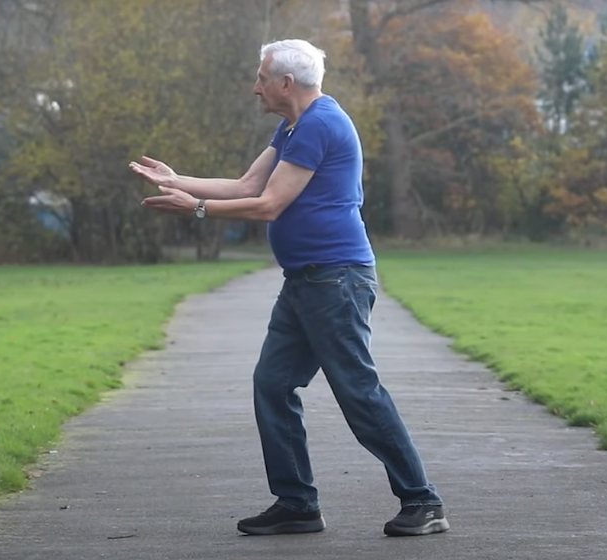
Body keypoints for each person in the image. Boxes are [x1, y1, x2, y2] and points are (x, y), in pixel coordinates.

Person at [129, 39, 448, 538]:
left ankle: (423, 501)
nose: (255, 88)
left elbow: (269, 204)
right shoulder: (295, 124)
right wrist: (179, 179)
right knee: (273, 385)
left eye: (261, 79)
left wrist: (195, 208)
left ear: (286, 83)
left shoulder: (321, 123)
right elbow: (246, 185)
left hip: (336, 279)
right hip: (305, 280)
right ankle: (297, 503)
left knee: (358, 392)